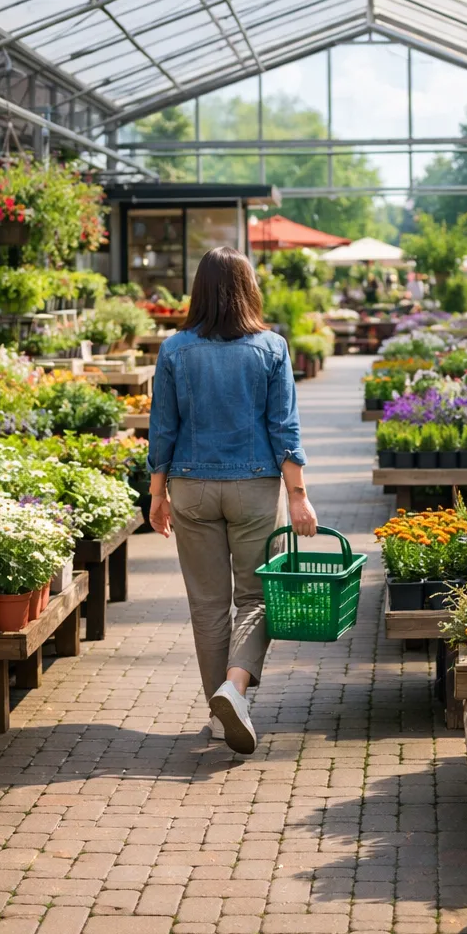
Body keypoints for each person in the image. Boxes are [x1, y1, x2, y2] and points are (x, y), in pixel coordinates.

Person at [147, 247, 318, 755]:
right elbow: (284, 428)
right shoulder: (271, 348)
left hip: (190, 486)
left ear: (199, 290)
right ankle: (235, 688)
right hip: (254, 488)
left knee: (207, 607)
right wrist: (300, 497)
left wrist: (157, 495)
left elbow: (163, 429)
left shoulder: (175, 349)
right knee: (256, 597)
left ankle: (221, 716)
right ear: (249, 290)